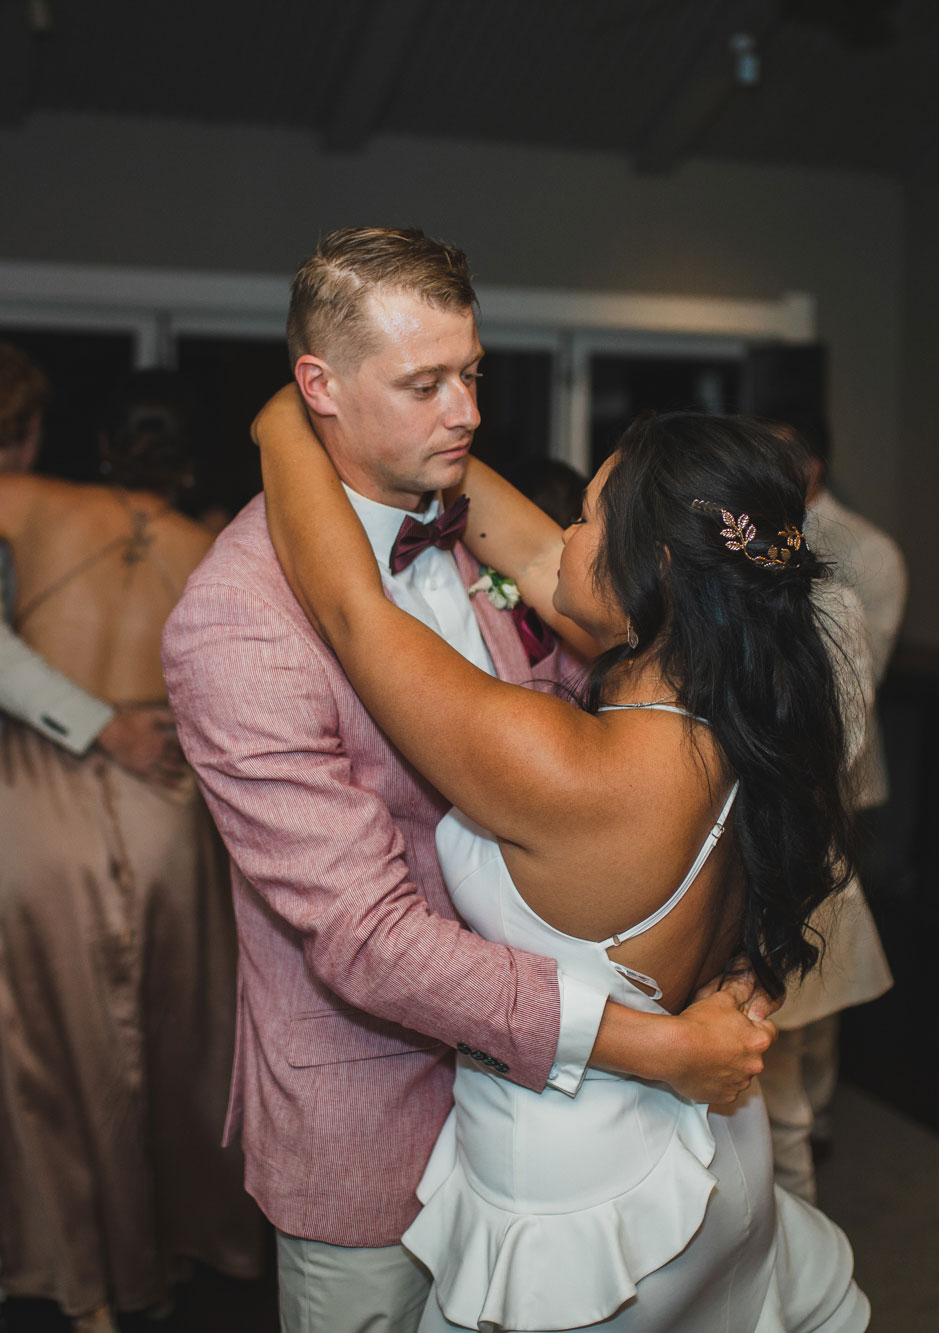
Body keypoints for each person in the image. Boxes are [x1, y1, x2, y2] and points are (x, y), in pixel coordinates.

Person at [160, 227, 801, 1332]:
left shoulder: (469, 531)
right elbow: (365, 937)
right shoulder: (234, 624)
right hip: (374, 1126)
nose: (463, 412)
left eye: (471, 374)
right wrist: (651, 1037)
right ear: (318, 384)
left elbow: (594, 697)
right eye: (423, 384)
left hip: (561, 1131)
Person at [253, 380, 871, 1331]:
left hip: (593, 1224)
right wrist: (408, 420)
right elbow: (535, 551)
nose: (565, 532)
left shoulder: (570, 765)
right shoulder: (755, 706)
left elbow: (348, 609)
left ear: (651, 568)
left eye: (588, 514)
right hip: (715, 1164)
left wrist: (288, 419)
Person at [0, 376, 265, 1331]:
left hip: (40, 800)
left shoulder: (40, 503)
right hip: (163, 796)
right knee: (157, 1041)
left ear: (100, 443)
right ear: (190, 457)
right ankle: (138, 1263)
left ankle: (66, 1278)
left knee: (47, 1043)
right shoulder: (217, 547)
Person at [756, 413, 900, 1200]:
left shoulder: (847, 577)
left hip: (812, 814)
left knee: (811, 993)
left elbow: (841, 720)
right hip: (742, 849)